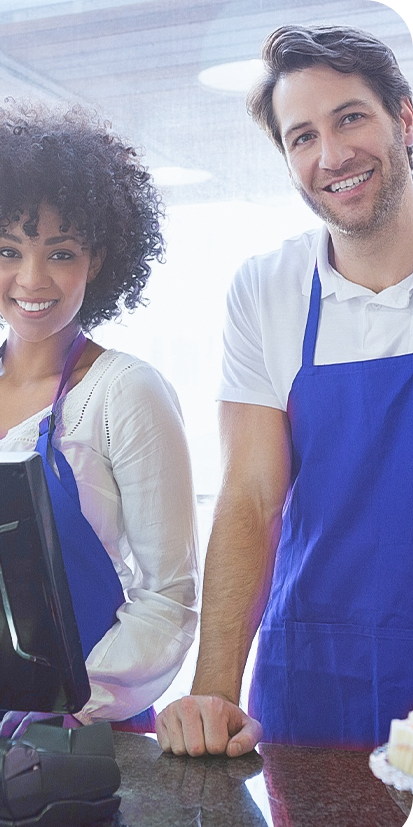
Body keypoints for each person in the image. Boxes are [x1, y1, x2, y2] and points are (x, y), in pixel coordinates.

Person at [156, 24, 413, 756]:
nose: (331, 156)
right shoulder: (267, 289)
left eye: (350, 118)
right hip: (312, 672)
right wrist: (212, 691)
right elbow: (249, 498)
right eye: (302, 137)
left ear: (404, 118)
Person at [0, 100, 198, 739]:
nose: (31, 279)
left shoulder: (125, 391)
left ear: (99, 258)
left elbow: (168, 597)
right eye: (8, 250)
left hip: (86, 737)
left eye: (60, 253)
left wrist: (71, 700)